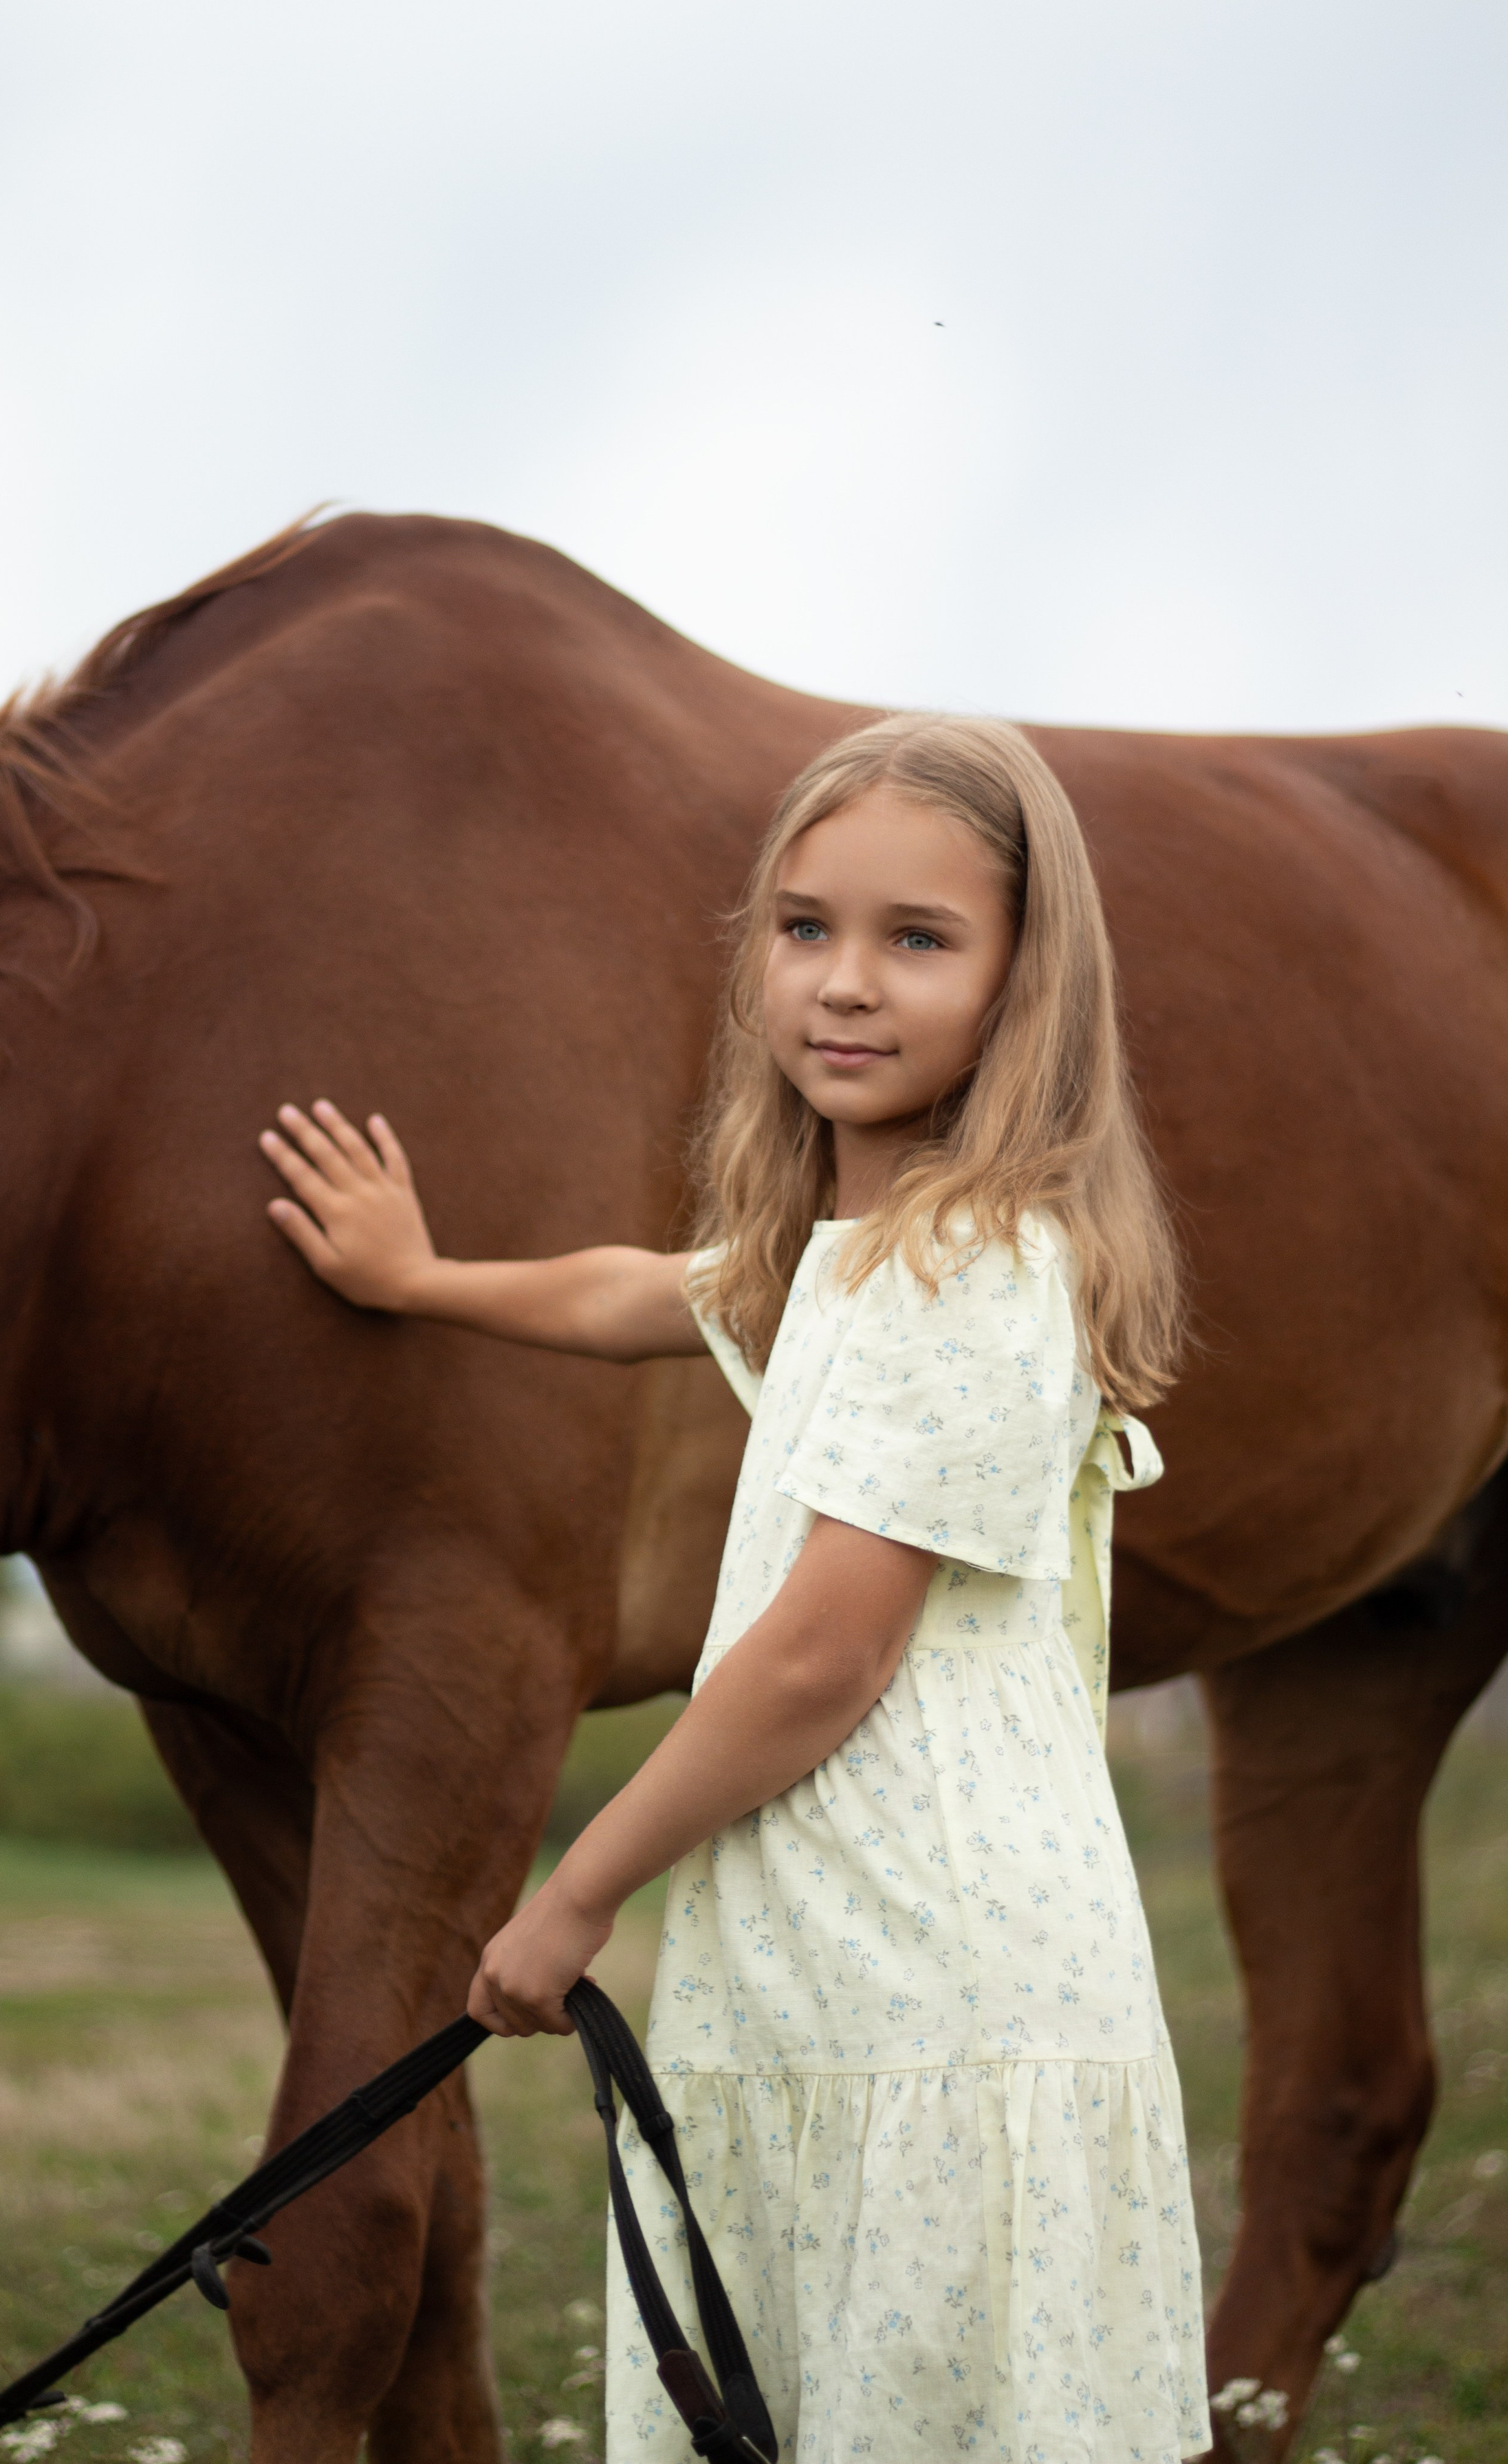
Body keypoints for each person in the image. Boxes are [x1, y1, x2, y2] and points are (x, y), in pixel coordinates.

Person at [260, 714, 1212, 2463]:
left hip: (931, 1979)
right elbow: (645, 1288)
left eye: (916, 940)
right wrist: (421, 1276)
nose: (842, 985)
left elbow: (820, 1658)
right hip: (829, 1960)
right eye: (802, 928)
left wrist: (576, 1893)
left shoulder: (978, 1268)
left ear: (1024, 986)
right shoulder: (845, 1253)